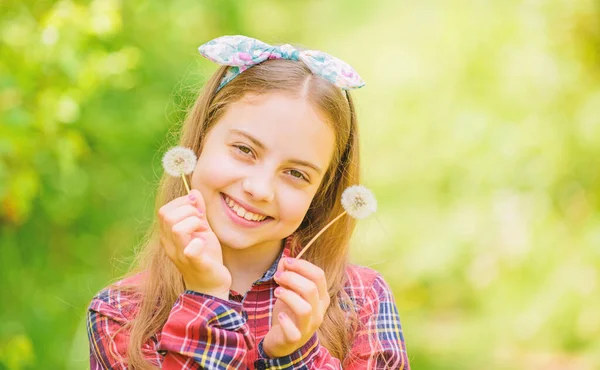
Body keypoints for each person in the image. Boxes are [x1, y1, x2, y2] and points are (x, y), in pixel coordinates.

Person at [87, 35, 410, 369]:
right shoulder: (121, 314)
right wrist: (206, 298)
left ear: (321, 192)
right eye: (244, 150)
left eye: (296, 174)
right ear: (200, 141)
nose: (260, 189)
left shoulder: (361, 301)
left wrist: (296, 355)